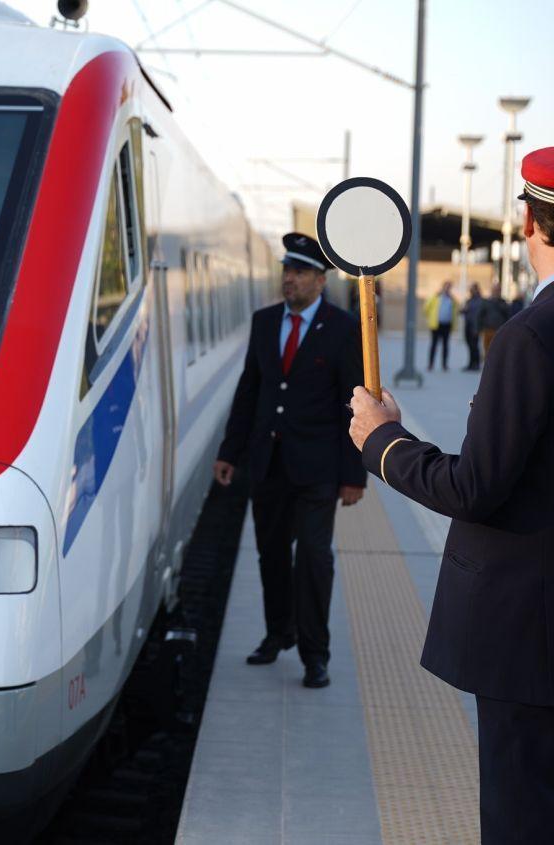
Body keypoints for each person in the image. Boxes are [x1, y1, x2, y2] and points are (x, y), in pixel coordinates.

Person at [348, 146, 554, 843]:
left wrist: (383, 441)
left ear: (530, 224)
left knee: (527, 821)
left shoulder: (532, 336)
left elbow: (476, 487)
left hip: (531, 638)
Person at [214, 232, 366, 690]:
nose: (289, 280)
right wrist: (229, 452)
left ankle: (314, 654)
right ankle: (277, 633)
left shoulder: (342, 329)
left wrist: (354, 474)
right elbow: (250, 391)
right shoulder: (263, 323)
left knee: (314, 560)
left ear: (321, 281)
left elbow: (352, 403)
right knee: (271, 555)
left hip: (317, 469)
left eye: (299, 272)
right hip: (268, 463)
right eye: (286, 271)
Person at [423, 280, 457, 371]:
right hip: (436, 325)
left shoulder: (452, 299)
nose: (447, 288)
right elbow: (426, 307)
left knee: (445, 345)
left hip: (447, 325)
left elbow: (455, 310)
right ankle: (430, 364)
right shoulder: (436, 297)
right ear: (443, 287)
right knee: (434, 345)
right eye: (446, 286)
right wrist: (430, 318)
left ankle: (444, 365)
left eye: (449, 287)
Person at [477, 282, 509, 357]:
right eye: (495, 290)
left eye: (498, 290)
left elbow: (508, 316)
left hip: (499, 331)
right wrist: (479, 328)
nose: (496, 292)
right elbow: (480, 315)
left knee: (498, 353)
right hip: (488, 330)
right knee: (487, 352)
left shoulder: (503, 303)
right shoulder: (486, 302)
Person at [461, 282, 483, 371]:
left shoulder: (480, 301)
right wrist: (463, 310)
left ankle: (476, 364)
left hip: (475, 326)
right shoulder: (469, 300)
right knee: (470, 345)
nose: (471, 291)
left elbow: (480, 315)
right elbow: (464, 311)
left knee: (475, 346)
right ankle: (470, 364)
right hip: (468, 325)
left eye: (472, 289)